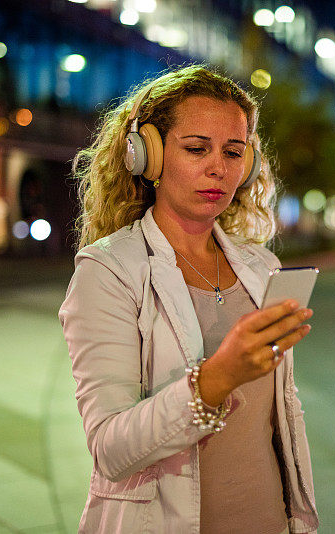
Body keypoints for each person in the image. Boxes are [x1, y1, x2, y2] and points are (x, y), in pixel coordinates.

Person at [58, 64, 319, 534]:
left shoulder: (264, 268)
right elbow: (111, 449)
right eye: (197, 148)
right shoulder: (109, 270)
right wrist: (215, 380)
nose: (218, 167)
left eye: (233, 151)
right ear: (147, 156)